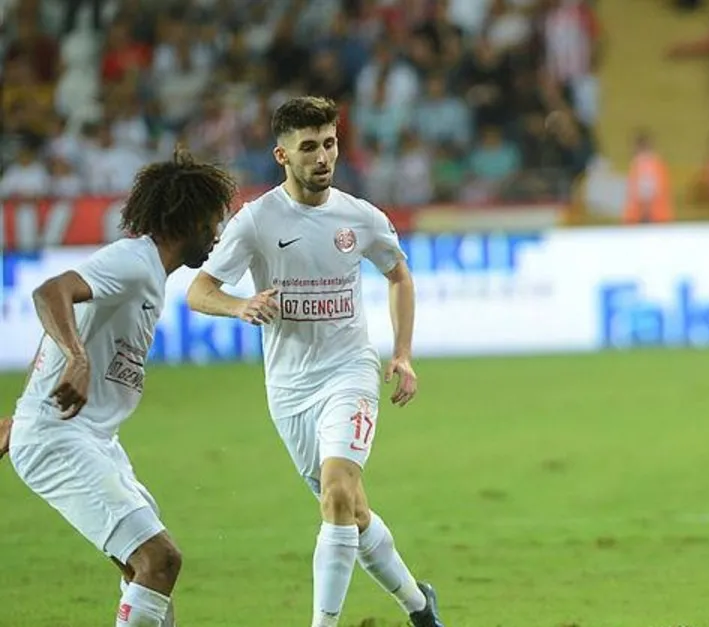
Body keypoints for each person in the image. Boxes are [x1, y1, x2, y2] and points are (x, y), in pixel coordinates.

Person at [184, 96, 444, 627]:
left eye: (329, 143)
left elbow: (398, 274)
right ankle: (420, 608)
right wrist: (240, 305)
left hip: (350, 372)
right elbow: (199, 290)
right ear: (282, 155)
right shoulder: (256, 221)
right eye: (308, 147)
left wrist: (402, 354)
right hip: (289, 389)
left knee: (338, 494)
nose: (323, 157)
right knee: (351, 510)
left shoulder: (360, 217)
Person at [4, 148, 236, 627]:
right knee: (159, 560)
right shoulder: (133, 262)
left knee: (146, 572)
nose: (218, 233)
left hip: (91, 439)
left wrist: (23, 412)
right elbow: (51, 292)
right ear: (190, 219)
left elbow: (75, 321)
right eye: (214, 220)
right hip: (60, 439)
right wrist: (77, 359)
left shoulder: (149, 273)